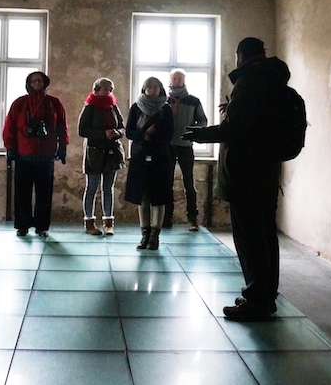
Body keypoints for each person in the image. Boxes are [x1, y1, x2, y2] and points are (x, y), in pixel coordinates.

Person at [183, 37, 289, 321]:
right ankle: (266, 295)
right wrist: (232, 109)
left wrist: (201, 134)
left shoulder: (250, 81)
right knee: (265, 236)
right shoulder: (272, 80)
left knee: (249, 239)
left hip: (246, 174)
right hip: (265, 172)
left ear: (240, 55)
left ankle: (256, 301)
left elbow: (236, 129)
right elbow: (254, 122)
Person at [3, 71, 69, 237]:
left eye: (40, 81)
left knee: (44, 193)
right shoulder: (19, 103)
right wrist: (10, 148)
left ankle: (42, 226)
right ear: (29, 84)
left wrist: (62, 147)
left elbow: (62, 126)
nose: (37, 84)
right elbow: (10, 126)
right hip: (23, 154)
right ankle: (22, 225)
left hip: (46, 155)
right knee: (22, 192)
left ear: (45, 83)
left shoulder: (54, 103)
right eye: (34, 81)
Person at [124, 76, 174, 250]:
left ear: (160, 89)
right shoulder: (136, 107)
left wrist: (154, 137)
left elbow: (169, 134)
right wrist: (144, 134)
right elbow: (129, 132)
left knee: (159, 197)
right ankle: (144, 234)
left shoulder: (166, 109)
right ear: (144, 89)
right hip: (140, 156)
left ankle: (155, 236)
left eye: (155, 88)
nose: (152, 90)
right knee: (143, 196)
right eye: (149, 88)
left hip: (160, 157)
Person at [77, 77, 125, 236]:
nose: (108, 92)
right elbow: (83, 131)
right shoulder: (90, 108)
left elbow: (122, 127)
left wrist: (117, 133)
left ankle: (108, 222)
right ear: (96, 90)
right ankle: (89, 221)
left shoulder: (113, 106)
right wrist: (103, 134)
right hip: (95, 152)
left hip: (111, 151)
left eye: (110, 90)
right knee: (91, 187)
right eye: (105, 89)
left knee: (108, 188)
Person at [164, 68, 208, 231]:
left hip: (185, 146)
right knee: (166, 183)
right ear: (170, 80)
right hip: (167, 146)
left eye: (180, 79)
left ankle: (192, 219)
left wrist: (191, 132)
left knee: (188, 183)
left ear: (184, 81)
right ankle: (167, 218)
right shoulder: (163, 100)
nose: (177, 81)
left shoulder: (193, 101)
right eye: (174, 78)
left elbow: (202, 121)